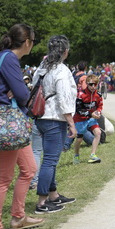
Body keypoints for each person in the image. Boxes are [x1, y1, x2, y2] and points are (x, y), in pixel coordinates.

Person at [0, 23, 43, 229]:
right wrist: (19, 92)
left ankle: (18, 217)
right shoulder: (8, 59)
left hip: (14, 123)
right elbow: (23, 95)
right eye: (33, 41)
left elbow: (14, 91)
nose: (33, 45)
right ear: (27, 42)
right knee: (3, 178)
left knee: (29, 169)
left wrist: (15, 92)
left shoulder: (1, 57)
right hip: (7, 124)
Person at [32, 35, 78, 214]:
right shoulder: (61, 70)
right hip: (54, 119)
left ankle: (53, 195)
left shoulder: (42, 67)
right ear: (65, 51)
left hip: (40, 117)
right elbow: (64, 99)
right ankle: (42, 202)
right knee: (50, 161)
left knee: (49, 159)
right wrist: (71, 124)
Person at [73, 74, 103, 164]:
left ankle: (93, 155)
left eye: (95, 84)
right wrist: (90, 114)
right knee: (79, 139)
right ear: (87, 84)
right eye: (91, 84)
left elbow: (100, 106)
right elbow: (78, 110)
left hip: (91, 118)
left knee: (98, 132)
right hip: (80, 119)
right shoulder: (80, 95)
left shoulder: (98, 95)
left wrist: (98, 112)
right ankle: (76, 155)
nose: (93, 87)